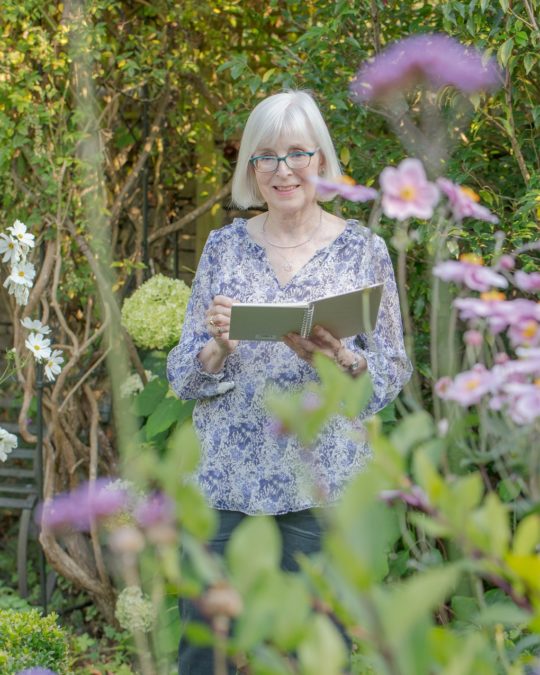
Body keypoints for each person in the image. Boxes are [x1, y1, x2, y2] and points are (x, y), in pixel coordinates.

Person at [167, 90, 412, 674]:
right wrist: (217, 348)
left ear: (321, 161)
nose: (283, 171)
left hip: (320, 485)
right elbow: (180, 375)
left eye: (297, 154)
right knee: (207, 654)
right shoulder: (224, 247)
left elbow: (392, 372)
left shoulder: (362, 250)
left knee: (314, 657)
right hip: (224, 485)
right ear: (251, 168)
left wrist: (340, 359)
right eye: (266, 157)